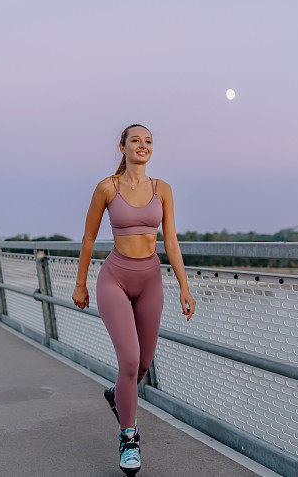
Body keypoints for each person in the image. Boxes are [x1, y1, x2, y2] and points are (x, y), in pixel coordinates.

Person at [72, 123, 196, 475]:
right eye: (136, 141)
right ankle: (129, 437)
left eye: (149, 141)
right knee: (129, 360)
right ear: (123, 147)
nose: (143, 146)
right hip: (115, 278)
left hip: (151, 279)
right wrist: (80, 284)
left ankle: (118, 395)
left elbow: (171, 242)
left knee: (142, 364)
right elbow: (87, 238)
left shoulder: (163, 190)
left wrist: (184, 287)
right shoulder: (106, 188)